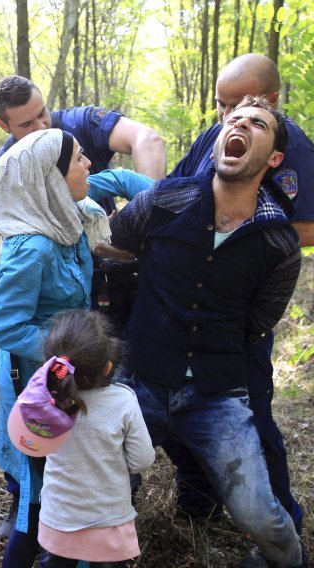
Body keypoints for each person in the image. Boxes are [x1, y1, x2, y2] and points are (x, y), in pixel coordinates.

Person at [109, 96, 306, 567]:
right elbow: (114, 246)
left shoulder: (279, 244)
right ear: (219, 138)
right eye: (233, 119)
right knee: (102, 487)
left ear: (274, 158)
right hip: (140, 382)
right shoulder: (163, 200)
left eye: (256, 123)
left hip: (218, 397)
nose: (239, 124)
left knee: (260, 515)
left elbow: (259, 323)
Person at [167, 53, 311, 537]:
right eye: (221, 106)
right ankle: (200, 493)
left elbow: (308, 225)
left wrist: (244, 228)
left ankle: (282, 520)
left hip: (238, 305)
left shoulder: (295, 153)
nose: (227, 117)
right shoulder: (216, 134)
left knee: (249, 408)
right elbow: (176, 188)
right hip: (183, 300)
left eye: (238, 106)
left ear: (268, 101)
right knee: (171, 398)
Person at [0, 128, 117, 566]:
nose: (89, 165)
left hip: (64, 373)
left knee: (64, 479)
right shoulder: (32, 246)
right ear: (52, 177)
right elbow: (3, 325)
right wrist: (67, 351)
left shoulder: (69, 223)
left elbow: (123, 183)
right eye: (79, 159)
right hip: (37, 380)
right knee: (37, 491)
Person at [7, 310, 154, 568]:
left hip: (57, 520)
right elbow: (142, 460)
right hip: (109, 520)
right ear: (108, 367)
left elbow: (32, 446)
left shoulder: (44, 402)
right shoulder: (123, 402)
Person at [0, 75, 166, 203]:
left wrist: (145, 213)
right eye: (27, 124)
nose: (41, 127)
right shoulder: (0, 176)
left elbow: (147, 139)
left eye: (42, 113)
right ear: (4, 126)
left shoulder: (80, 122)